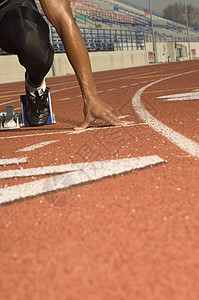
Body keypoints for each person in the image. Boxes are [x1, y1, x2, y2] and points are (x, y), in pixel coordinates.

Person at [0, 0, 128, 129]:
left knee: (33, 45)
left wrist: (91, 96)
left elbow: (63, 18)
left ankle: (35, 87)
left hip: (10, 9)